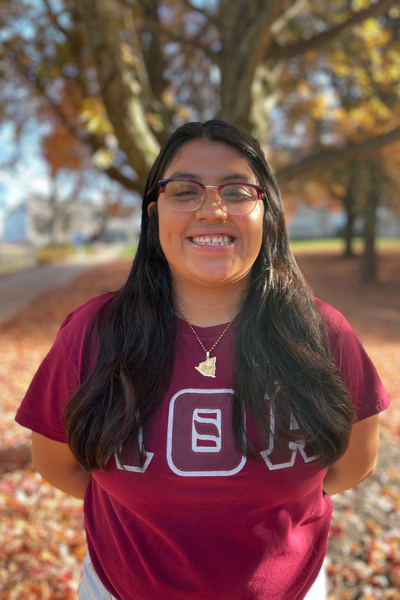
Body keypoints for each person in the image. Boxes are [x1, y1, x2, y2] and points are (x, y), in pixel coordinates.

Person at [15, 119, 389, 600]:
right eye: (185, 191)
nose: (213, 210)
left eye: (236, 191)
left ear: (267, 213)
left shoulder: (322, 334)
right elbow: (58, 464)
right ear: (154, 215)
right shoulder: (93, 335)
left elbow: (355, 461)